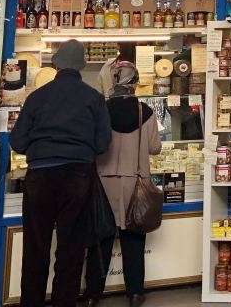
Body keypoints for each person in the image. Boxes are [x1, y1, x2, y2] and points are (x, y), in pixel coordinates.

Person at [10, 40, 111, 307]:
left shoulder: (37, 97)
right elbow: (103, 144)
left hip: (40, 175)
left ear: (56, 65)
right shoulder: (93, 98)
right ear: (81, 65)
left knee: (36, 246)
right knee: (71, 247)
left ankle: (31, 302)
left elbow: (17, 141)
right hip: (78, 176)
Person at [84, 62, 162, 307]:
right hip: (135, 183)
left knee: (101, 240)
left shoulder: (100, 110)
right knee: (134, 239)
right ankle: (135, 293)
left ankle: (92, 294)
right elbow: (155, 148)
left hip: (103, 184)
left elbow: (92, 144)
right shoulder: (145, 112)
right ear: (134, 82)